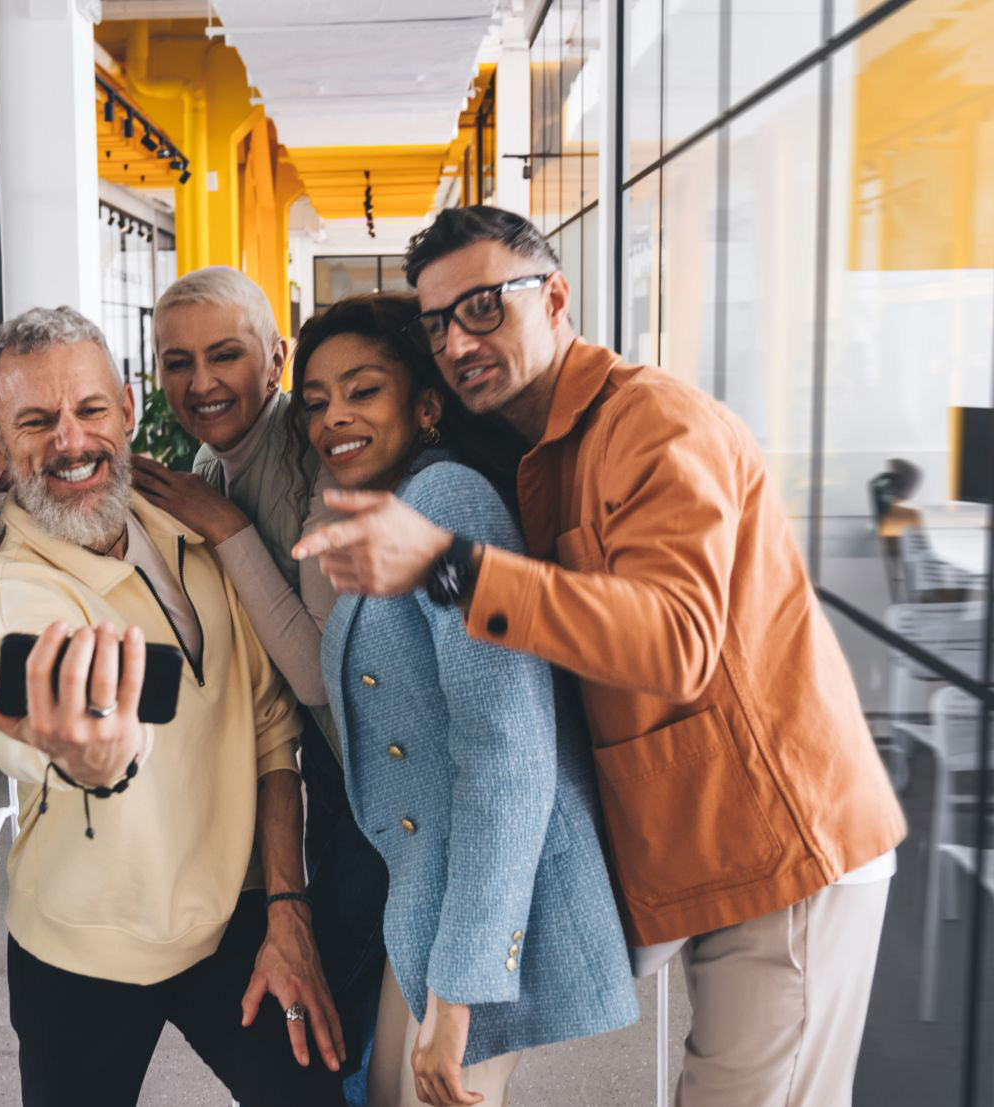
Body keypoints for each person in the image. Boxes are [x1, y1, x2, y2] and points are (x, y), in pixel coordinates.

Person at [294, 206, 909, 1107]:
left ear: (554, 296)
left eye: (483, 307)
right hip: (700, 853)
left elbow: (676, 641)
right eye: (438, 324)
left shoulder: (653, 423)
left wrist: (445, 565)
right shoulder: (544, 452)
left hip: (783, 851)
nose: (460, 340)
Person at [0, 306, 347, 1106]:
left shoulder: (189, 525)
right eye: (36, 421)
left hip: (236, 920)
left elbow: (271, 730)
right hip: (82, 953)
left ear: (127, 410)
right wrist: (88, 754)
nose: (70, 440)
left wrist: (287, 905)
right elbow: (34, 703)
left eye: (89, 410)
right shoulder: (11, 589)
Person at [296, 292, 635, 1107]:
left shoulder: (449, 501)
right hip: (429, 901)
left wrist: (460, 994)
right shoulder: (398, 508)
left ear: (425, 403)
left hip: (475, 919)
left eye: (362, 389)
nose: (333, 415)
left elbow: (507, 755)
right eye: (315, 401)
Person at [130, 268, 389, 1100]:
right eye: (177, 362)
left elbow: (319, 671)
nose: (200, 383)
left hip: (379, 781)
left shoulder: (316, 462)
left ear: (276, 359)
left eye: (224, 355)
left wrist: (227, 529)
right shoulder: (215, 460)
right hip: (332, 775)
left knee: (368, 1012)